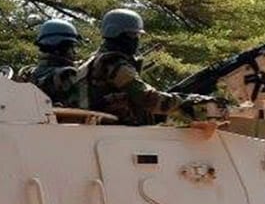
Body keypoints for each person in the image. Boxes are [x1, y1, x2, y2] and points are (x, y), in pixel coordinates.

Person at [85, 8, 221, 125]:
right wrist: (189, 102)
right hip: (119, 133)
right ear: (116, 33)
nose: (137, 40)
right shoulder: (114, 63)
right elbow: (149, 99)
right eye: (133, 35)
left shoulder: (93, 61)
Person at [30, 19, 84, 107]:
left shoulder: (29, 73)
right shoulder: (67, 74)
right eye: (72, 47)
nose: (75, 52)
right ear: (61, 48)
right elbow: (85, 105)